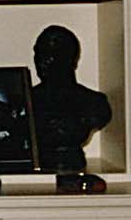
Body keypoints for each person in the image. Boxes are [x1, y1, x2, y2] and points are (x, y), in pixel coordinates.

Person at [30, 25, 112, 173]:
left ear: (71, 60)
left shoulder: (95, 103)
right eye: (38, 54)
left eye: (51, 55)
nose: (42, 61)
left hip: (74, 164)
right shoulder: (27, 100)